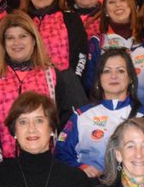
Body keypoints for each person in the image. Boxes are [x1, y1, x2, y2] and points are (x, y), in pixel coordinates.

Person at [0, 12, 86, 157]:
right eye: (10, 38)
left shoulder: (51, 74)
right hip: (5, 162)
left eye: (23, 36)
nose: (16, 42)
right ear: (3, 44)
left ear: (34, 40)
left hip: (45, 159)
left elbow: (65, 119)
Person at [57, 47, 137, 177]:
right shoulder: (82, 115)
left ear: (131, 78)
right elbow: (61, 152)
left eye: (121, 71)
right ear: (99, 78)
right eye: (106, 71)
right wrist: (80, 167)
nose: (113, 76)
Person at [21, 0, 88, 78]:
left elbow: (81, 56)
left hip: (65, 90)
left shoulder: (70, 19)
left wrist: (72, 83)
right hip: (29, 90)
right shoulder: (20, 21)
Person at [86, 0, 136, 92]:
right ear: (106, 11)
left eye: (122, 0)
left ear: (131, 5)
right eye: (112, 2)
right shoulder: (97, 42)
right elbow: (90, 83)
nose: (118, 5)